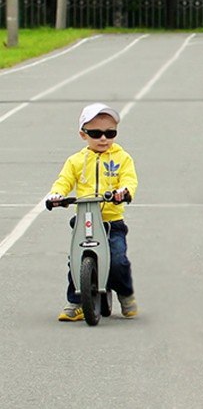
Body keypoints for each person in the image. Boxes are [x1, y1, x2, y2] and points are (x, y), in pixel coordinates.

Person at [46, 103, 140, 321]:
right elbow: (64, 181)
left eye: (110, 133)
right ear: (83, 134)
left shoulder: (122, 158)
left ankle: (125, 294)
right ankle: (76, 301)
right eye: (96, 133)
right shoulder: (76, 161)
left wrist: (123, 191)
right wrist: (57, 195)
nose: (104, 138)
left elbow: (129, 180)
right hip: (84, 218)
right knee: (76, 259)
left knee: (118, 260)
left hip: (111, 221)